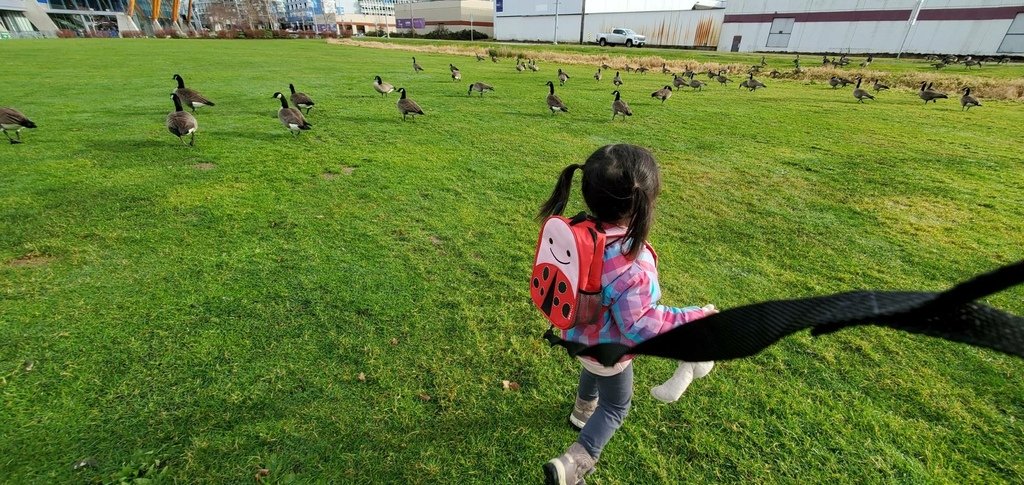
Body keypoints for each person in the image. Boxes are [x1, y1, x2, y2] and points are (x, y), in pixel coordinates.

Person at [537, 144, 717, 484]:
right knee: (616, 406)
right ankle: (573, 465)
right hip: (609, 351)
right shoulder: (632, 263)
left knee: (594, 369)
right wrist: (695, 317)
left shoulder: (579, 234)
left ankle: (580, 411)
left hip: (575, 335)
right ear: (644, 204)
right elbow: (640, 327)